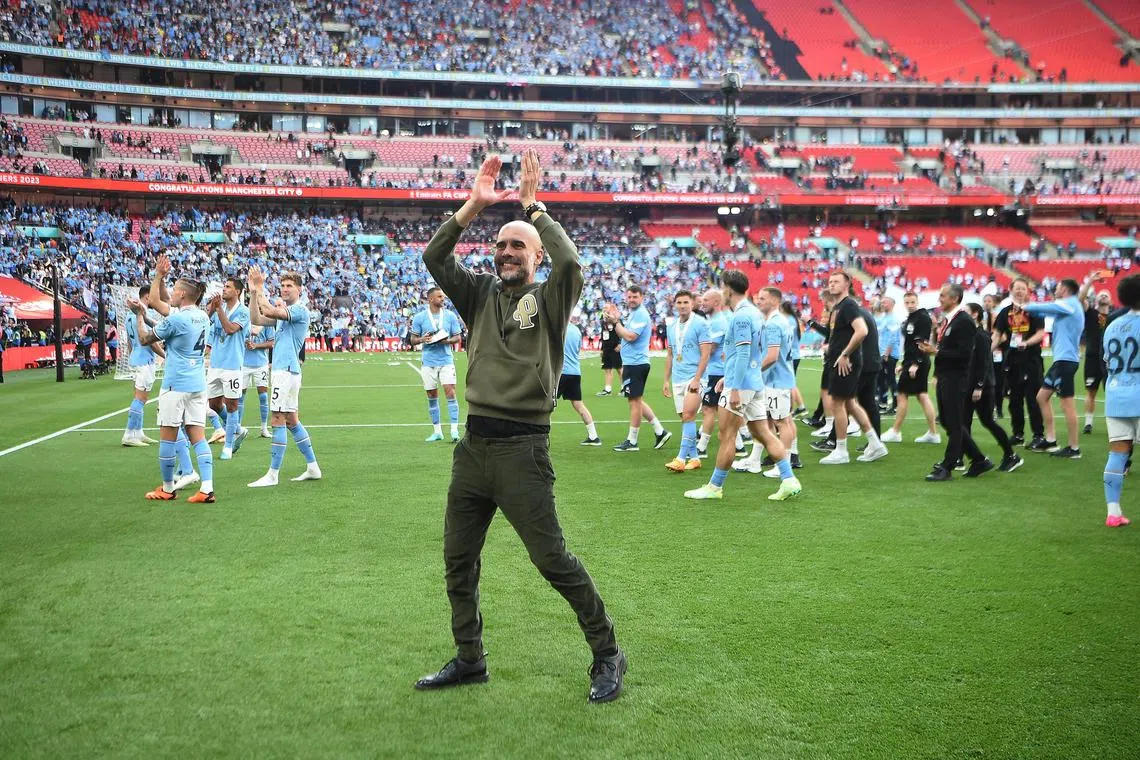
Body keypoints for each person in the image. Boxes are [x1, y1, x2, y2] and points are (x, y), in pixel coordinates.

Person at [415, 151, 625, 704]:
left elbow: (572, 265)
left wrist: (534, 209)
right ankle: (469, 659)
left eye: (518, 245)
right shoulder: (479, 293)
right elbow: (435, 257)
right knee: (458, 560)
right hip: (474, 449)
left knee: (551, 558)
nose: (506, 252)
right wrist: (472, 207)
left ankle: (607, 652)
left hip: (522, 450)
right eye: (500, 244)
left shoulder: (553, 298)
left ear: (535, 253)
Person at [684, 272, 801, 501]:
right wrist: (729, 377)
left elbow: (744, 352)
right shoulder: (755, 313)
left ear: (727, 290)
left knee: (727, 435)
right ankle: (789, 480)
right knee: (763, 432)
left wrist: (734, 386)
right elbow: (751, 353)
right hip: (755, 382)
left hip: (743, 385)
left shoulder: (740, 317)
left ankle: (714, 487)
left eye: (722, 289)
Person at [127, 255, 215, 503]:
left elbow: (145, 339)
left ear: (183, 296)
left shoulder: (176, 319)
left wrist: (138, 315)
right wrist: (161, 278)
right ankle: (207, 488)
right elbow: (160, 301)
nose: (171, 293)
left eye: (175, 290)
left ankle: (167, 488)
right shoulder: (202, 317)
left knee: (168, 435)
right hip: (198, 383)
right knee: (197, 436)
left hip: (176, 384)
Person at [246, 268, 322, 487]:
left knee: (277, 419)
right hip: (286, 371)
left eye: (290, 286)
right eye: (283, 285)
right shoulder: (284, 312)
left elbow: (270, 311)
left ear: (299, 290)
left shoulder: (299, 310)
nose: (285, 289)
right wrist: (253, 294)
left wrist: (260, 288)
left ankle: (272, 474)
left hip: (285, 371)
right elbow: (256, 317)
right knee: (291, 420)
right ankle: (312, 467)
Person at [922, 284, 991, 481]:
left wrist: (935, 352)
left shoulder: (964, 321)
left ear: (954, 298)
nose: (939, 299)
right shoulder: (949, 320)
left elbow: (964, 353)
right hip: (946, 376)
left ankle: (948, 465)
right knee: (947, 421)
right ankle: (979, 459)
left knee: (954, 422)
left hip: (956, 378)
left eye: (942, 295)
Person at [819, 272, 887, 465]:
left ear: (847, 283)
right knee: (850, 404)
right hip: (843, 361)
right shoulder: (840, 307)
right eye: (830, 281)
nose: (831, 285)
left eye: (836, 281)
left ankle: (841, 450)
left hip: (845, 363)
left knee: (838, 404)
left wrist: (845, 354)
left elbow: (862, 330)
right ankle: (875, 443)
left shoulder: (848, 305)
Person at [735, 288, 802, 475]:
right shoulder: (782, 321)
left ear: (774, 301)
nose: (758, 301)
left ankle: (785, 464)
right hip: (778, 378)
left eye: (762, 298)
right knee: (766, 421)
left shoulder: (774, 324)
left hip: (776, 380)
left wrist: (752, 372)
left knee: (782, 421)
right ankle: (755, 459)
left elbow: (772, 356)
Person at [1023, 278, 1084, 457]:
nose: (1054, 290)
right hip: (1061, 361)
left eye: (1057, 288)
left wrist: (1025, 306)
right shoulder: (1066, 308)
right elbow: (1045, 313)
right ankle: (1050, 441)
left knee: (1067, 404)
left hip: (1066, 361)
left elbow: (1046, 308)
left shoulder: (1069, 304)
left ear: (1064, 289)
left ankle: (1074, 448)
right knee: (1042, 397)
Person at [607, 285, 670, 452]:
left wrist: (616, 322)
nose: (632, 300)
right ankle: (660, 431)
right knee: (636, 400)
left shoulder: (641, 313)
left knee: (634, 401)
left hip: (636, 364)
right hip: (632, 362)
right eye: (629, 297)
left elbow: (630, 336)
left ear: (642, 297)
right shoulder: (635, 314)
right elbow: (628, 337)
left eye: (635, 297)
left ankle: (632, 441)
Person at [1101, 273, 1140, 528]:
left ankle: (1113, 512)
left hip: (1116, 394)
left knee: (1118, 453)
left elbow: (1107, 361)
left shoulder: (1112, 325)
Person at [965, 303, 1023, 473]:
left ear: (975, 315)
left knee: (988, 421)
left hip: (982, 387)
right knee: (964, 422)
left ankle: (1010, 455)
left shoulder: (981, 336)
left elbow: (983, 363)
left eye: (966, 312)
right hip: (970, 385)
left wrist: (979, 386)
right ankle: (964, 459)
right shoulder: (970, 335)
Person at [993, 279, 1046, 448]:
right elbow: (997, 334)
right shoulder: (1005, 312)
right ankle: (1018, 434)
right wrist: (987, 351)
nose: (1020, 291)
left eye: (1023, 288)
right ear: (1011, 290)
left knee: (1033, 398)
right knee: (1014, 399)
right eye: (1017, 288)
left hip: (1031, 359)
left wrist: (1027, 343)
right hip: (1012, 360)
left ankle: (1038, 435)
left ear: (1028, 291)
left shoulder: (1034, 311)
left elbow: (1040, 333)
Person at [882, 292, 941, 445]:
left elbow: (923, 343)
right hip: (912, 361)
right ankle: (933, 433)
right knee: (922, 396)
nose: (909, 305)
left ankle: (895, 431)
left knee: (903, 394)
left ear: (917, 301)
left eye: (912, 302)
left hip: (918, 362)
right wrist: (904, 363)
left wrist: (916, 363)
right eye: (907, 302)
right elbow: (910, 344)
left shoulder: (922, 317)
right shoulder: (911, 318)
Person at [663, 290, 711, 472]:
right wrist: (666, 380)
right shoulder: (671, 326)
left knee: (689, 416)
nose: (682, 306)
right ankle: (695, 458)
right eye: (679, 302)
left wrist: (697, 379)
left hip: (694, 378)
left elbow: (706, 354)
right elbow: (670, 354)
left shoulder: (700, 324)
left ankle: (681, 459)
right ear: (674, 304)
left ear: (692, 304)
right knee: (685, 419)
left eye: (685, 302)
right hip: (678, 378)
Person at [410, 287, 464, 442]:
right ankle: (437, 431)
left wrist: (446, 341)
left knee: (451, 393)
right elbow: (412, 340)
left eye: (443, 297)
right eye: (440, 296)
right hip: (428, 361)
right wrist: (422, 339)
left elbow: (457, 337)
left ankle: (454, 430)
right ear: (431, 299)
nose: (443, 299)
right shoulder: (420, 317)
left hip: (446, 360)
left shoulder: (450, 316)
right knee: (432, 396)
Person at [205, 278, 251, 460]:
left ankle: (228, 445)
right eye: (224, 286)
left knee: (232, 405)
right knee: (214, 405)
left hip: (233, 365)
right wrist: (212, 309)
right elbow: (207, 324)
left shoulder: (243, 312)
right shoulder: (219, 309)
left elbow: (230, 329)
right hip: (216, 364)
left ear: (237, 291)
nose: (224, 290)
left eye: (228, 287)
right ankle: (238, 430)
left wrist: (218, 310)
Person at [121, 285, 163, 447]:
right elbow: (148, 341)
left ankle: (138, 432)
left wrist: (132, 357)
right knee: (141, 398)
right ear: (147, 296)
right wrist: (165, 355)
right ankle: (129, 434)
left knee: (141, 397)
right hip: (144, 360)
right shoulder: (141, 314)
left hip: (135, 359)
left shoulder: (128, 316)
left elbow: (130, 342)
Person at [558, 315, 601, 445]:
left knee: (547, 405)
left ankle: (540, 436)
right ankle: (594, 436)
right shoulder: (576, 330)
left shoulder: (559, 328)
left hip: (561, 372)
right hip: (575, 372)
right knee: (579, 404)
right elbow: (577, 349)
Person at [696, 288, 728, 458]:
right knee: (720, 408)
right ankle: (738, 444)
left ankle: (701, 447)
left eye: (706, 300)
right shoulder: (714, 320)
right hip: (717, 370)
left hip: (717, 372)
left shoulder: (717, 322)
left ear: (716, 302)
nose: (702, 303)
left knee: (708, 409)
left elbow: (710, 348)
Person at [1079, 273, 1112, 435]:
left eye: (1106, 295)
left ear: (1111, 301)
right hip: (1092, 357)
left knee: (1111, 392)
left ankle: (1114, 421)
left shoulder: (1115, 316)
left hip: (1111, 359)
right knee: (1091, 391)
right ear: (1096, 299)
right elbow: (1080, 299)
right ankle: (1088, 423)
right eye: (1101, 294)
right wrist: (1090, 280)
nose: (1104, 296)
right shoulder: (1090, 313)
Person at [242, 323, 275, 439]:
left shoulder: (266, 322)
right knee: (240, 397)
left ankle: (264, 428)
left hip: (261, 364)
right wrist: (245, 343)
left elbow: (271, 342)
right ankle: (238, 428)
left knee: (263, 397)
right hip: (243, 364)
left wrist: (256, 345)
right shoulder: (244, 319)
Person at [877, 296, 901, 414]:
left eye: (884, 303)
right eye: (881, 303)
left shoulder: (893, 319)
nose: (882, 304)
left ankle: (896, 405)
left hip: (890, 354)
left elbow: (893, 337)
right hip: (882, 353)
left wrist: (887, 353)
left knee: (891, 380)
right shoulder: (884, 318)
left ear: (892, 304)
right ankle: (883, 403)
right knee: (882, 380)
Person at [596, 312, 622, 396]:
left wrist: (620, 344)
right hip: (607, 349)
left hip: (615, 348)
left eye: (607, 309)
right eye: (604, 309)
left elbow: (622, 332)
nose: (605, 311)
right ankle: (607, 389)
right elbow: (603, 336)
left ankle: (624, 388)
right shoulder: (603, 322)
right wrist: (602, 349)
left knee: (619, 368)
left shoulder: (616, 321)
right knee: (607, 369)